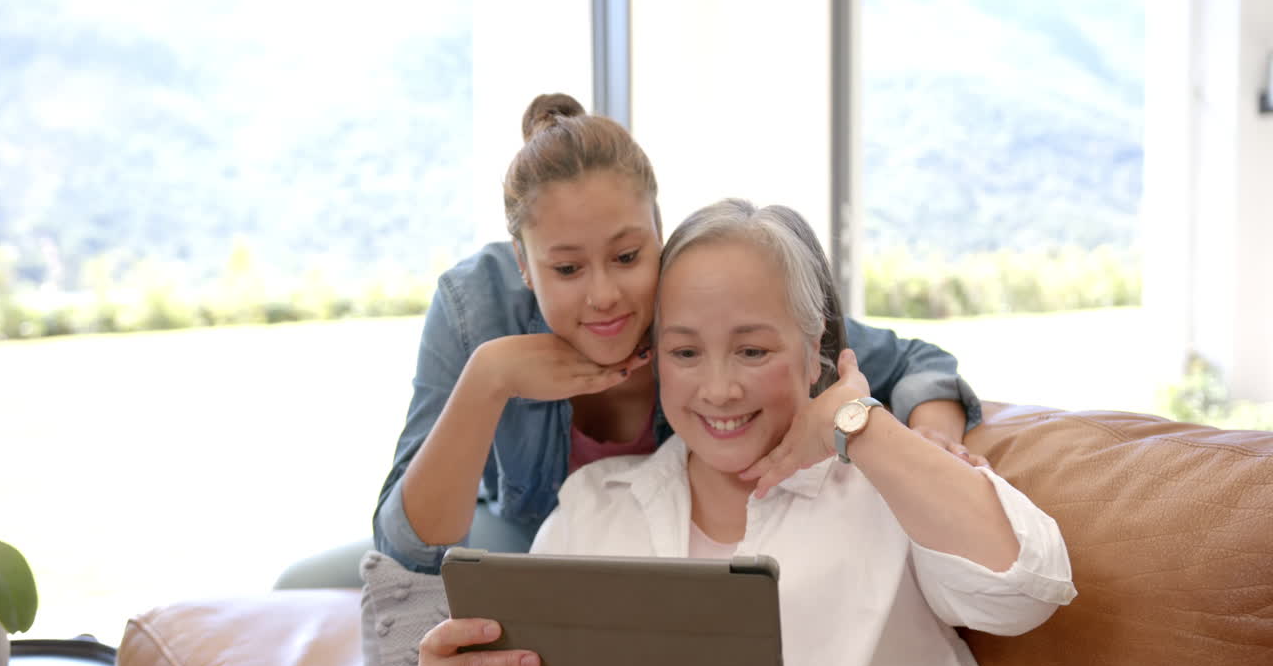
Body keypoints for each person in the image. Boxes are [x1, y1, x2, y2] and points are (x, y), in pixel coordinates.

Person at [374, 93, 984, 581]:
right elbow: (411, 548)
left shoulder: (699, 294)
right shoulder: (474, 307)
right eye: (566, 269)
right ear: (524, 262)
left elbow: (914, 361)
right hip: (522, 534)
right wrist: (488, 379)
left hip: (651, 550)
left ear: (658, 233)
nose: (605, 294)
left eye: (628, 255)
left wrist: (931, 443)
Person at [525, 199, 1077, 666]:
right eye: (686, 352)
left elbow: (1026, 590)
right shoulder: (591, 506)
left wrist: (863, 424)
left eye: (752, 351)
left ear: (815, 349)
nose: (719, 390)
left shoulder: (887, 488)